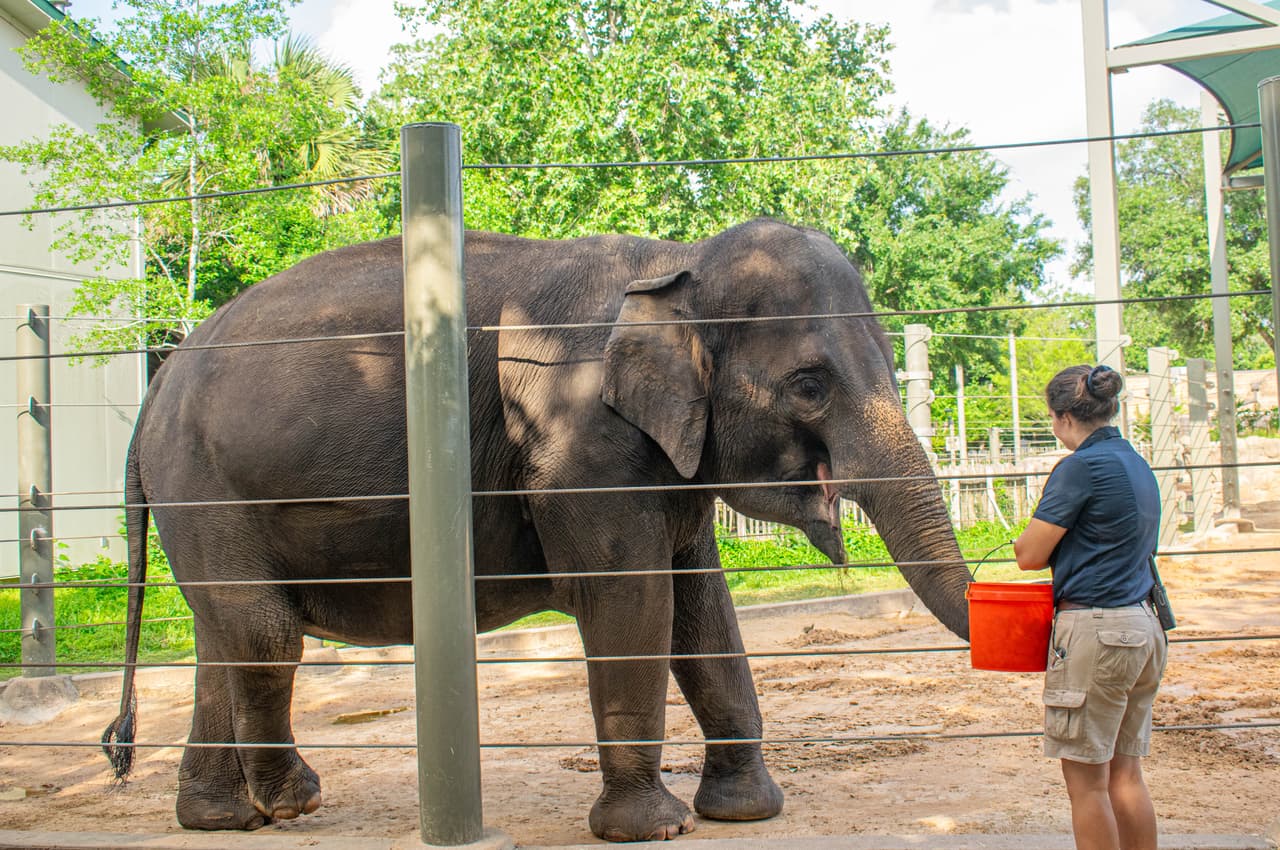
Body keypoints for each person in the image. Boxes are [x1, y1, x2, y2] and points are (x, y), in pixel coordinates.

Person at [1013, 364, 1167, 850]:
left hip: (1097, 632)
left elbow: (1028, 555)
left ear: (1061, 418)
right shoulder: (1136, 463)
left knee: (1087, 785)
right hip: (1143, 625)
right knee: (1126, 774)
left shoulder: (1079, 468)